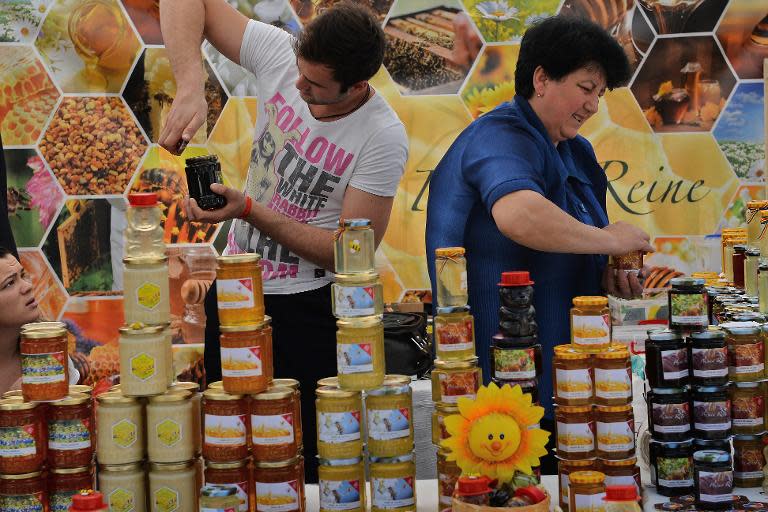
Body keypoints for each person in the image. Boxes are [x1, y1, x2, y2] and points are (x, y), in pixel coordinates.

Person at [158, 0, 408, 481]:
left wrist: (250, 210)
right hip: (235, 295)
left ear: (356, 86)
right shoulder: (280, 53)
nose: (298, 87)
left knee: (302, 461)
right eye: (300, 72)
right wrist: (190, 86)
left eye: (314, 86)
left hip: (307, 310)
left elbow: (348, 253)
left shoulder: (382, 136)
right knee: (232, 451)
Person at [425, 16, 654, 471]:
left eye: (600, 94)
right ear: (542, 78)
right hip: (504, 398)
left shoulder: (575, 150)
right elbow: (519, 214)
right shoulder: (500, 135)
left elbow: (571, 243)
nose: (592, 105)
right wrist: (607, 238)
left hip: (565, 386)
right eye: (586, 88)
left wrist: (605, 267)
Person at [0, 247, 80, 395]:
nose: (27, 286)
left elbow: (69, 415)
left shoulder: (49, 344)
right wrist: (10, 406)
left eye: (23, 275)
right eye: (10, 283)